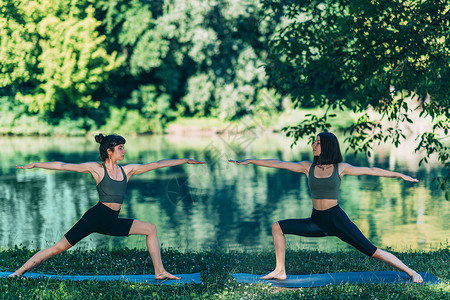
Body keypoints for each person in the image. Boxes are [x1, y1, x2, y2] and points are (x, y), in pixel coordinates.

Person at [229, 132, 423, 283]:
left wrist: (399, 175)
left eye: (318, 143)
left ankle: (411, 271)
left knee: (373, 252)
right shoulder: (308, 167)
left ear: (328, 146)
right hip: (317, 221)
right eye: (314, 142)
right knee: (277, 227)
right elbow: (279, 163)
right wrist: (251, 160)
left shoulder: (341, 167)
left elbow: (371, 170)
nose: (313, 145)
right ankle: (280, 271)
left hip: (337, 220)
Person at [9, 134, 205, 279]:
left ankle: (159, 271)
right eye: (120, 148)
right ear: (109, 151)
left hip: (112, 221)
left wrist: (185, 160)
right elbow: (63, 165)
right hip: (95, 217)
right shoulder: (97, 169)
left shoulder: (128, 170)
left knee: (150, 228)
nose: (124, 151)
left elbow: (158, 164)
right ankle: (18, 272)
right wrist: (35, 164)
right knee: (58, 248)